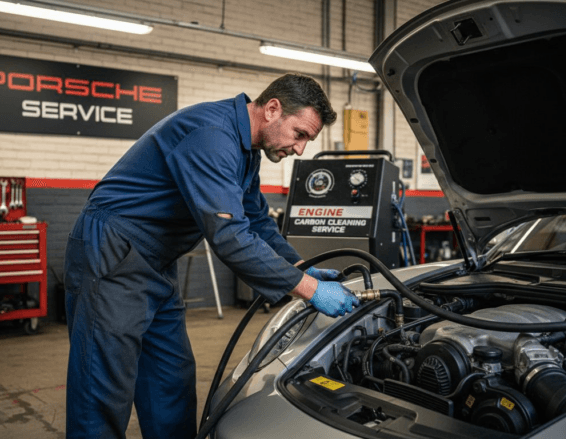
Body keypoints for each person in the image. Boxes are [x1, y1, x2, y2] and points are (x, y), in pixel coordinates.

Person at [63, 73, 360, 439]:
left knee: (169, 379)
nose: (300, 149)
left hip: (155, 261)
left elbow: (256, 220)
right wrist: (309, 289)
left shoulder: (246, 151)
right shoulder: (212, 135)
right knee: (102, 387)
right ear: (272, 109)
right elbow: (230, 236)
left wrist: (302, 267)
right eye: (299, 134)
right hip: (112, 250)